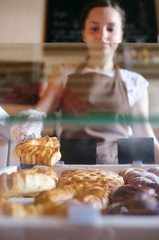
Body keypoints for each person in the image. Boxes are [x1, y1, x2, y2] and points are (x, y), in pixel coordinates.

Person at [11, 0, 159, 164]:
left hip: (118, 171)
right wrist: (27, 125)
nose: (102, 35)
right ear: (84, 34)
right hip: (71, 169)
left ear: (121, 35)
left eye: (110, 29)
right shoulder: (64, 73)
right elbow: (41, 111)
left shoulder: (134, 82)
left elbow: (144, 134)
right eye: (94, 28)